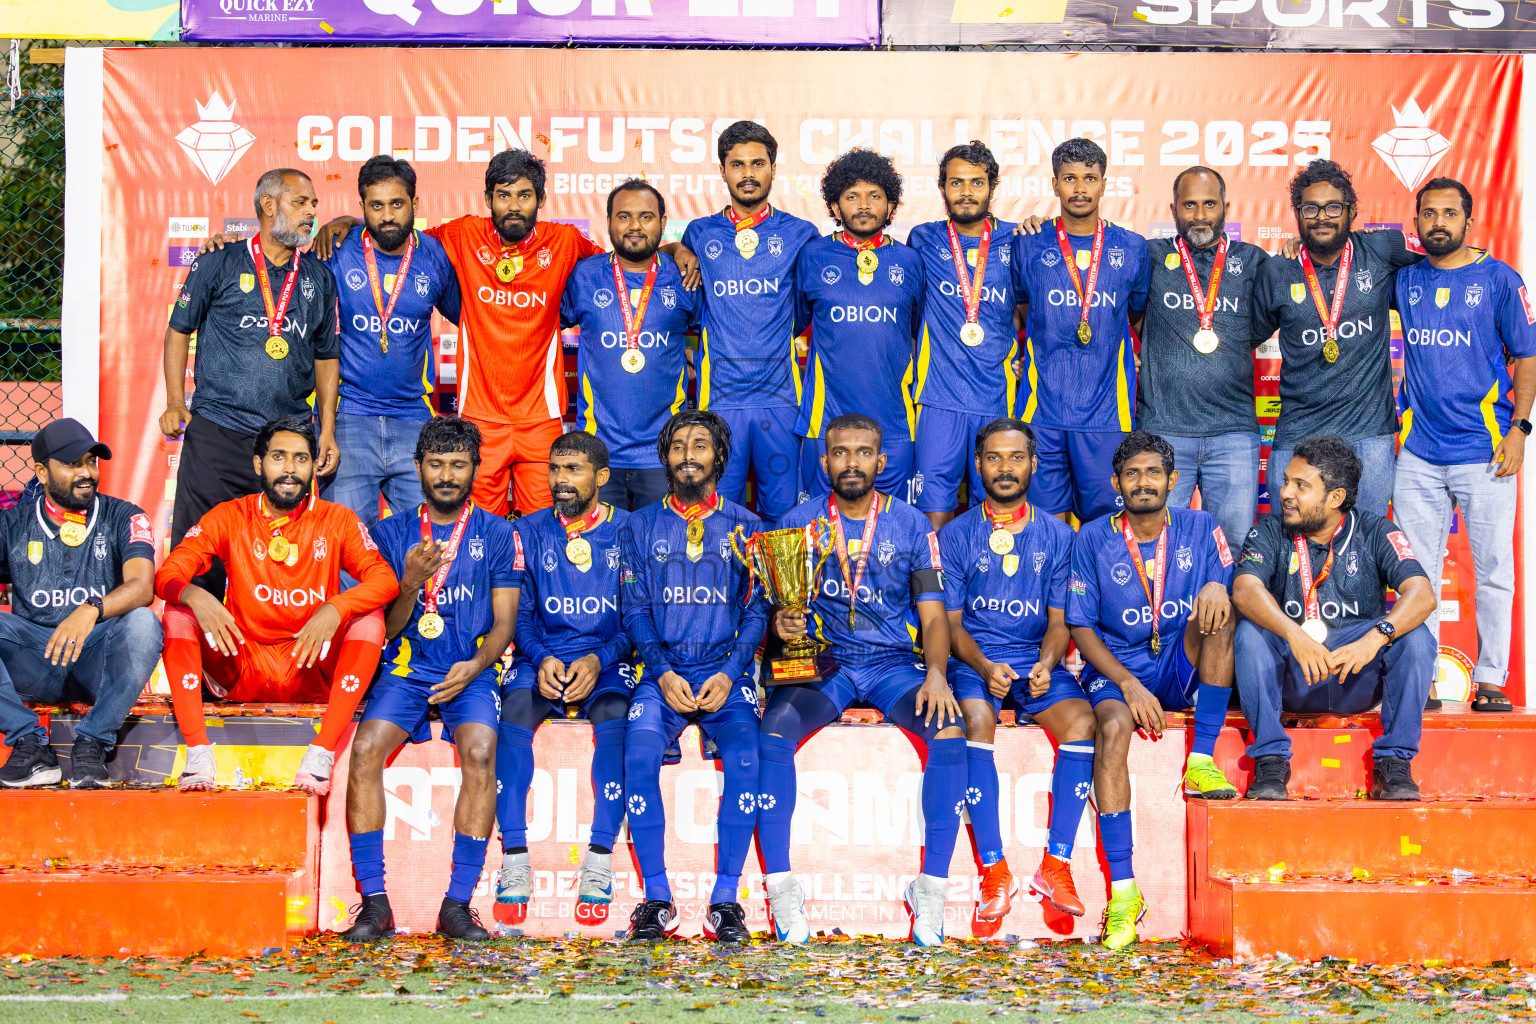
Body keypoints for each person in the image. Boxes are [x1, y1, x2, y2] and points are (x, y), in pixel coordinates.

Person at [763, 414, 965, 948]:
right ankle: (781, 888)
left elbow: (933, 614)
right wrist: (781, 622)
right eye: (840, 452)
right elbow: (776, 610)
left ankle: (932, 889)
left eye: (863, 452)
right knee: (773, 731)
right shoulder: (797, 521)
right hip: (824, 663)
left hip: (890, 665)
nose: (851, 462)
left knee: (949, 732)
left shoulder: (913, 524)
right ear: (824, 460)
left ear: (881, 461)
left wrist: (938, 674)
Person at [315, 150, 605, 517]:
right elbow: (398, 235)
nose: (513, 206)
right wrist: (348, 223)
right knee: (475, 532)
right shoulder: (462, 234)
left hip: (541, 418)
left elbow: (617, 269)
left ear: (542, 199)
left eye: (525, 195)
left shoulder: (564, 241)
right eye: (503, 195)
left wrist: (674, 251)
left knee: (544, 527)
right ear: (488, 199)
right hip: (478, 419)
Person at [155, 416, 399, 794]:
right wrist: (194, 594)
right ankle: (199, 752)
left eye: (301, 459)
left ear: (314, 465)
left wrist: (336, 608)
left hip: (311, 666)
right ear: (259, 464)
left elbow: (384, 578)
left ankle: (321, 752)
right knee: (178, 612)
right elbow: (168, 573)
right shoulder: (229, 516)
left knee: (368, 617)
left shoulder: (338, 519)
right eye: (279, 457)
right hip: (242, 664)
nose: (290, 469)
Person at [340, 416, 515, 943]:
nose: (445, 475)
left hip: (470, 669)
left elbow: (505, 623)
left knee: (482, 752)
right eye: (435, 464)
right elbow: (385, 626)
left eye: (457, 465)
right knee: (366, 748)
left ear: (474, 471)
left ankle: (457, 905)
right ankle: (374, 903)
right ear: (417, 468)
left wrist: (475, 666)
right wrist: (411, 582)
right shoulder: (389, 533)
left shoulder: (497, 532)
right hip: (406, 669)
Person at [1067, 431, 1238, 950]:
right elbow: (1080, 626)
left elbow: (1226, 586)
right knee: (1113, 727)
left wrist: (1217, 586)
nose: (1144, 482)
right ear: (1117, 484)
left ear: (1174, 480)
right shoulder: (1091, 537)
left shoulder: (1202, 526)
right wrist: (1126, 683)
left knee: (1221, 610)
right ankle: (1124, 893)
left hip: (1178, 661)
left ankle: (1201, 759)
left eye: (1153, 473)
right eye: (1132, 474)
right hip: (1119, 668)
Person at [617, 410, 766, 943]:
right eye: (678, 446)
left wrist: (731, 672)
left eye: (700, 445)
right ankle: (658, 899)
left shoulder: (749, 526)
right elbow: (634, 610)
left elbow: (757, 610)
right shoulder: (638, 525)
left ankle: (724, 902)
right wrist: (659, 672)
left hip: (725, 676)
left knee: (748, 758)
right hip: (664, 676)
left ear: (720, 459)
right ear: (665, 459)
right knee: (636, 754)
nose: (687, 455)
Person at [938, 418, 1091, 922]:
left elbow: (1059, 621)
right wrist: (983, 665)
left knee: (1083, 723)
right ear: (977, 465)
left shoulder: (1058, 535)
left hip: (1034, 661)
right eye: (994, 458)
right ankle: (994, 869)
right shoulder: (957, 533)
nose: (1005, 468)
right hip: (974, 659)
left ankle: (1056, 864)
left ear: (1033, 464)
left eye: (1016, 458)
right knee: (976, 722)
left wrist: (1047, 664)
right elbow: (951, 624)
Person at [1392, 178, 1535, 713]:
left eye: (1450, 214)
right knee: (1416, 573)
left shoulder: (1500, 279)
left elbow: (1528, 354)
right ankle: (1421, 680)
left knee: (1495, 568)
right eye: (1428, 214)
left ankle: (1493, 678)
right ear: (1416, 221)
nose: (1438, 223)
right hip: (1418, 454)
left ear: (1468, 222)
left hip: (1488, 451)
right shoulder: (1404, 280)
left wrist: (1520, 430)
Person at [161, 168, 339, 595]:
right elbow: (178, 329)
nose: (312, 212)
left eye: (314, 204)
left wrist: (327, 429)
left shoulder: (319, 277)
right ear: (268, 205)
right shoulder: (217, 262)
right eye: (302, 202)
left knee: (279, 571)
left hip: (286, 446)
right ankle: (192, 660)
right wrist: (173, 401)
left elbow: (327, 357)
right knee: (198, 560)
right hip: (218, 433)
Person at [1233, 435, 1438, 801]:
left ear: (1335, 498)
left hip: (1354, 674)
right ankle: (1269, 759)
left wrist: (1376, 637)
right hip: (1295, 675)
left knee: (1416, 635)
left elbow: (1422, 594)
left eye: (1301, 485)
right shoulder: (1268, 529)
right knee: (1250, 631)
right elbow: (1246, 590)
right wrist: (1295, 636)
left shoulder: (1377, 531)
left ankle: (1393, 764)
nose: (1285, 493)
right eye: (1285, 481)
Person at [496, 431, 634, 912]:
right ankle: (513, 855)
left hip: (607, 662)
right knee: (512, 711)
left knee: (618, 717)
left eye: (572, 470)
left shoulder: (629, 531)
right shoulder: (529, 531)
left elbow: (636, 619)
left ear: (601, 477)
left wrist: (600, 658)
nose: (560, 480)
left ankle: (599, 856)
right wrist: (541, 657)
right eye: (555, 469)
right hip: (544, 660)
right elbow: (522, 616)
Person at [1252, 160, 1424, 516]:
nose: (1322, 217)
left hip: (1369, 434)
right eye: (1310, 209)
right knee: (1294, 541)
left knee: (1367, 540)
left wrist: (1492, 326)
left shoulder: (1381, 249)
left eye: (1333, 207)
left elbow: (1445, 250)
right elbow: (1243, 339)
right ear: (1297, 213)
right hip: (1298, 432)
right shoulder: (1277, 270)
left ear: (1351, 211)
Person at [0, 419, 161, 788]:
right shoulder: (12, 523)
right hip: (34, 659)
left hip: (97, 662)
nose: (86, 473)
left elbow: (142, 586)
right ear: (42, 472)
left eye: (91, 461)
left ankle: (92, 742)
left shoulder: (125, 516)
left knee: (143, 622)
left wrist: (90, 610)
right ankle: (31, 746)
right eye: (73, 464)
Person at [678, 122, 818, 524]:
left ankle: (779, 591)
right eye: (737, 164)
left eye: (758, 163)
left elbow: (805, 310)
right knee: (716, 517)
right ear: (722, 171)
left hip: (782, 400)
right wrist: (676, 249)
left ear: (774, 168)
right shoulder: (700, 233)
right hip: (719, 403)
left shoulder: (800, 234)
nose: (748, 173)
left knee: (785, 519)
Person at [1012, 138, 1149, 525]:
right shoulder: (1028, 244)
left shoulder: (1132, 247)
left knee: (1107, 526)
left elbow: (1136, 315)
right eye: (1069, 178)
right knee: (1044, 526)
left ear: (1104, 184)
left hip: (1108, 414)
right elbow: (1021, 311)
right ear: (1054, 184)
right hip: (1041, 412)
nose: (1080, 188)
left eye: (1090, 178)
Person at [323, 156, 462, 528]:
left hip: (414, 421)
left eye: (397, 204)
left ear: (415, 205)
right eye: (376, 205)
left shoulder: (435, 256)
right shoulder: (336, 250)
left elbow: (473, 320)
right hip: (350, 418)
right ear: (362, 207)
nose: (387, 215)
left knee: (426, 545)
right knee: (349, 549)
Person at [1138, 167, 1270, 547]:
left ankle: (1227, 611)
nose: (1199, 215)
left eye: (1209, 204)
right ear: (1173, 209)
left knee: (1232, 547)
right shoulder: (1149, 255)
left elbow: (1283, 310)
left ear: (1225, 207)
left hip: (1233, 433)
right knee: (1155, 543)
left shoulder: (1253, 261)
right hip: (1163, 429)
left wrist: (1296, 247)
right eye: (1189, 205)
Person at [561, 180, 702, 511]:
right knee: (602, 558)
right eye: (623, 216)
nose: (635, 226)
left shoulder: (685, 276)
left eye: (646, 217)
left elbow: (716, 337)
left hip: (664, 453)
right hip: (597, 453)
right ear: (608, 221)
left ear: (663, 223)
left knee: (661, 556)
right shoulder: (584, 275)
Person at [794, 149, 925, 500]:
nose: (863, 205)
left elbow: (917, 331)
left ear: (891, 205)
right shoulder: (813, 256)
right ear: (835, 207)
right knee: (820, 533)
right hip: (824, 424)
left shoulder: (910, 261)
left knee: (893, 529)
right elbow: (793, 324)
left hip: (895, 426)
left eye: (874, 196)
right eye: (852, 196)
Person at [907, 141, 1023, 528]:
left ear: (993, 187)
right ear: (942, 188)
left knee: (994, 516)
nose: (967, 192)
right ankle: (931, 590)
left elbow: (1036, 312)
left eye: (977, 182)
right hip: (939, 400)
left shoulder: (1019, 240)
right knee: (931, 519)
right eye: (956, 183)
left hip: (997, 399)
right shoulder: (922, 239)